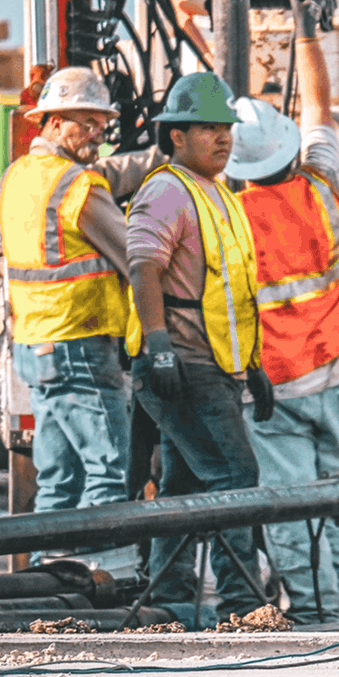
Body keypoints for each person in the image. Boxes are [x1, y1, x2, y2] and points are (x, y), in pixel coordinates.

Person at [228, 1, 339, 624]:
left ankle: (315, 614)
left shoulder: (230, 220)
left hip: (280, 387)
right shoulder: (323, 187)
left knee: (292, 505)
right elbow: (319, 107)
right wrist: (307, 36)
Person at [125, 71, 278, 623]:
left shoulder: (221, 197)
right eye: (209, 128)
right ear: (177, 136)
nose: (223, 138)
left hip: (213, 366)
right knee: (235, 477)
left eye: (226, 128)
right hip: (184, 366)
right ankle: (242, 603)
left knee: (184, 486)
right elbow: (144, 268)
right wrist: (159, 346)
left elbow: (232, 295)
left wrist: (253, 366)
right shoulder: (168, 190)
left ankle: (168, 600)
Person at [0, 67, 154, 519]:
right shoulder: (79, 187)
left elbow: (107, 171)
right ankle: (100, 560)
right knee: (110, 472)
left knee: (59, 480)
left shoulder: (18, 176)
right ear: (54, 122)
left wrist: (161, 155)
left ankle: (50, 560)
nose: (97, 135)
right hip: (79, 345)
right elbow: (135, 257)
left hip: (36, 346)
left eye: (101, 125)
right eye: (87, 124)